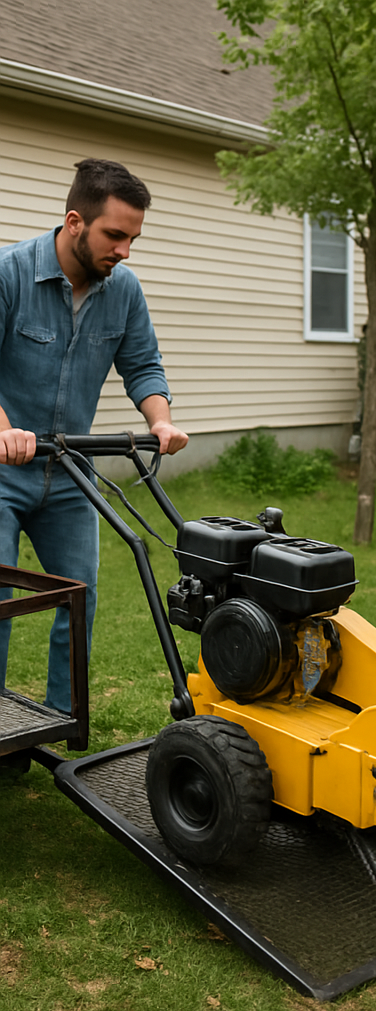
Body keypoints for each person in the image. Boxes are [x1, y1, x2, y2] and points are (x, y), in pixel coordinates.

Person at [0, 158, 189, 714]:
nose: (125, 250)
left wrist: (160, 419)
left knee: (79, 598)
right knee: (1, 598)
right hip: (4, 469)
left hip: (70, 473)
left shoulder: (123, 290)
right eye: (115, 235)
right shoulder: (10, 273)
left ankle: (61, 726)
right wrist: (5, 429)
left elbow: (143, 365)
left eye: (133, 238)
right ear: (75, 221)